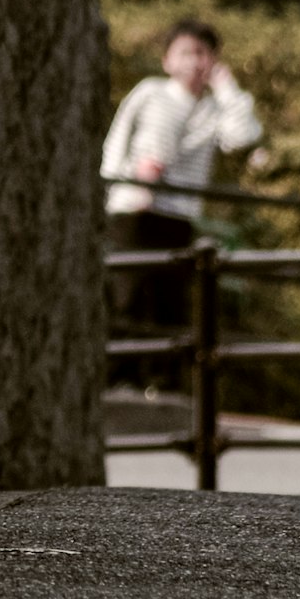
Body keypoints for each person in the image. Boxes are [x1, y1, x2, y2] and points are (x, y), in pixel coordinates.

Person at [103, 18, 263, 350]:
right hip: (135, 208)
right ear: (168, 60)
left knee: (170, 304)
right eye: (186, 52)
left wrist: (227, 89)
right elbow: (132, 146)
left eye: (203, 53)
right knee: (128, 296)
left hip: (178, 215)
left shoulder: (213, 108)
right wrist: (128, 188)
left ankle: (162, 385)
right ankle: (123, 380)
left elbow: (242, 137)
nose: (194, 61)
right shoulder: (152, 91)